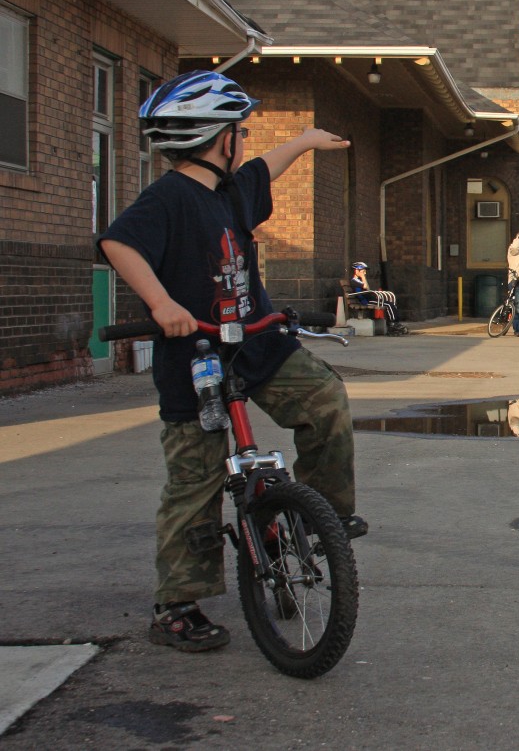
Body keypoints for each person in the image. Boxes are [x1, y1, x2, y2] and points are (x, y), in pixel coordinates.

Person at [98, 70, 368, 654]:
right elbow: (119, 243)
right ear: (222, 138)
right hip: (196, 357)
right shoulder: (167, 198)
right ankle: (178, 605)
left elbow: (265, 168)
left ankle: (322, 517)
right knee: (195, 481)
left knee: (325, 398)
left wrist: (303, 140)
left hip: (256, 342)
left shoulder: (230, 192)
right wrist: (163, 303)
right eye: (240, 131)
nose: (244, 142)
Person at [350, 261, 407, 335]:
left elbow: (367, 289)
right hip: (365, 301)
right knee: (389, 305)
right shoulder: (354, 281)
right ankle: (393, 324)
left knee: (390, 303)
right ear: (357, 270)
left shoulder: (360, 280)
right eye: (363, 271)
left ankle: (395, 322)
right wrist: (363, 277)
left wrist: (363, 278)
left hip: (369, 299)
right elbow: (366, 287)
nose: (365, 273)